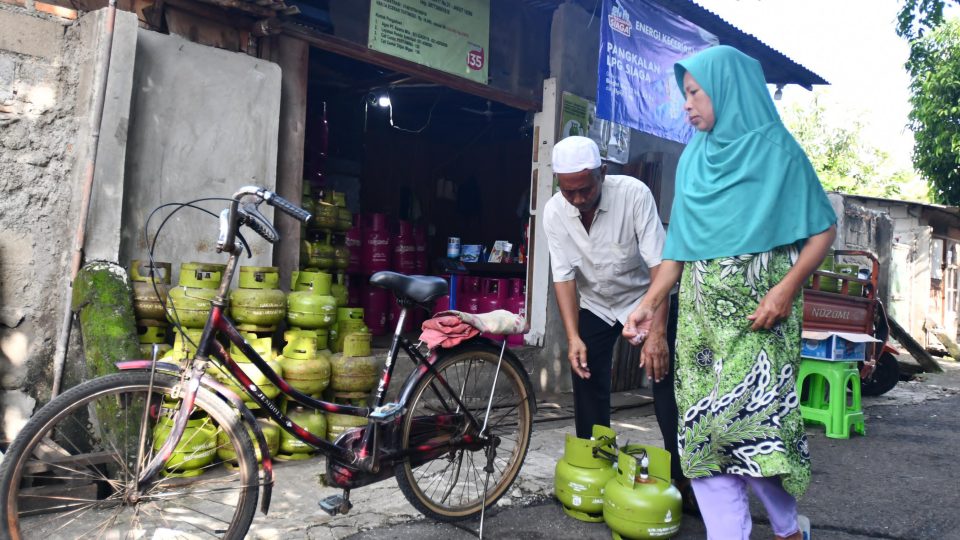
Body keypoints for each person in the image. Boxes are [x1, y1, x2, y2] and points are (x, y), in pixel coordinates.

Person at [623, 45, 836, 540]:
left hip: (763, 322)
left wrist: (785, 291)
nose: (687, 104)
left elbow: (822, 231)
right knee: (702, 438)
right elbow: (678, 250)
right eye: (684, 94)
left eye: (695, 92)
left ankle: (787, 528)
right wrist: (648, 306)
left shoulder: (778, 150)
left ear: (726, 89)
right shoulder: (694, 160)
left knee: (757, 440)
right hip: (701, 327)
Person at [543, 136, 695, 508]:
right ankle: (597, 468)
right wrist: (573, 336)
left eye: (585, 189)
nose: (577, 199)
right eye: (568, 191)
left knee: (664, 384)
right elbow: (563, 277)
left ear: (603, 173)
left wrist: (657, 334)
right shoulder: (554, 211)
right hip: (597, 303)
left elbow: (661, 266)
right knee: (586, 376)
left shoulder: (634, 195)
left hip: (647, 299)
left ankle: (683, 478)